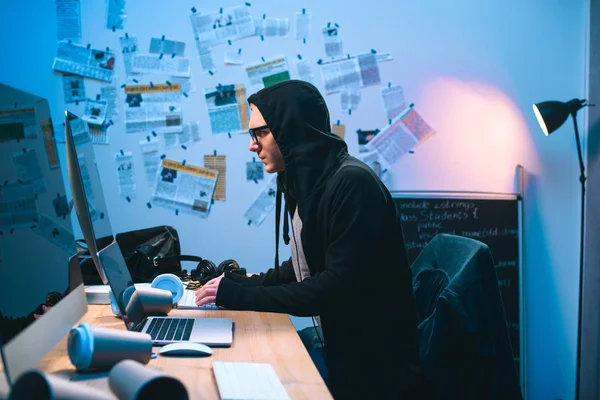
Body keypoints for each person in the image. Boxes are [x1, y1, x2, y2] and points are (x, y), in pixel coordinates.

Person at [195, 80, 421, 399]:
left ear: (291, 131)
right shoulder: (311, 183)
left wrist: (242, 296)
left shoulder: (352, 185)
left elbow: (333, 288)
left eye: (260, 133)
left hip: (376, 376)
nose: (252, 145)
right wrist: (242, 283)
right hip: (345, 356)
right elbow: (302, 266)